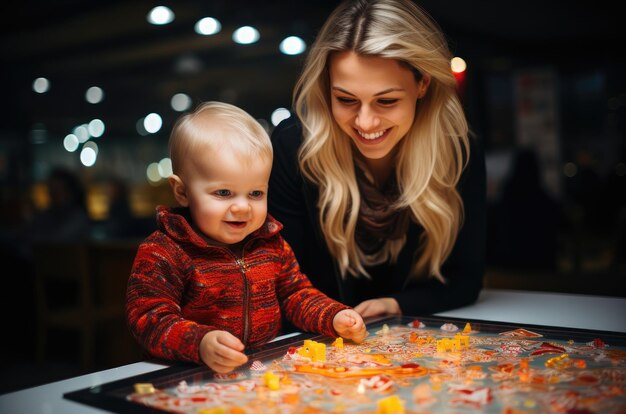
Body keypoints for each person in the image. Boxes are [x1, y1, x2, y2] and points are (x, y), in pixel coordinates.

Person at [268, 0, 487, 321]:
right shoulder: (293, 148)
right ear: (326, 87)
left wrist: (396, 305)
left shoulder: (457, 151)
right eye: (346, 99)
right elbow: (281, 284)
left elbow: (465, 280)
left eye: (386, 101)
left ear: (422, 84)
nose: (366, 122)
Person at [125, 101, 367, 374]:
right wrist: (200, 342)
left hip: (259, 370)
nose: (243, 207)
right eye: (223, 193)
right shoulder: (164, 251)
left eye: (255, 193)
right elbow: (147, 318)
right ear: (182, 192)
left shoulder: (271, 244)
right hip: (186, 374)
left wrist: (333, 316)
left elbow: (296, 294)